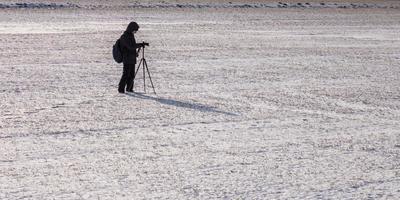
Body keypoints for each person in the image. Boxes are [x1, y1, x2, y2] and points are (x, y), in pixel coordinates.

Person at [118, 21, 141, 93]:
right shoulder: (125, 36)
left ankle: (129, 88)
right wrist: (139, 45)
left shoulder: (131, 35)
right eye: (135, 30)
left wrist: (140, 45)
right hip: (127, 58)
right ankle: (121, 89)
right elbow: (130, 47)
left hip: (132, 58)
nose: (135, 32)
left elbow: (132, 46)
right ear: (131, 28)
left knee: (131, 74)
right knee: (126, 74)